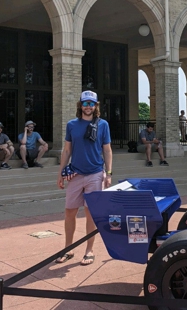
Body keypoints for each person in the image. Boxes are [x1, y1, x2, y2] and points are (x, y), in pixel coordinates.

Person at [56, 90, 113, 266]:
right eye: (85, 103)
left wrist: (109, 174)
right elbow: (67, 150)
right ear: (80, 105)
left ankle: (89, 250)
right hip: (76, 174)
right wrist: (60, 172)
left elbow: (107, 150)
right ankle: (68, 248)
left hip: (95, 173)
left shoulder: (103, 125)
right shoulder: (72, 124)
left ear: (96, 106)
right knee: (69, 212)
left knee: (91, 214)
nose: (88, 106)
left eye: (92, 104)